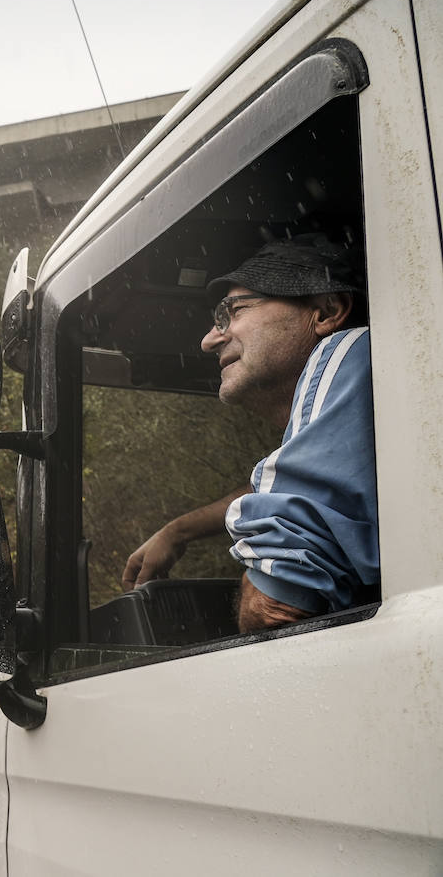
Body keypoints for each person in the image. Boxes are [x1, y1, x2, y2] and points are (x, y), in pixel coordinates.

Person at [121, 234, 377, 633]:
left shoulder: (348, 351)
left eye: (232, 312)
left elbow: (275, 607)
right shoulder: (368, 395)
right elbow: (296, 494)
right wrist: (180, 530)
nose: (209, 340)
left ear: (327, 312)